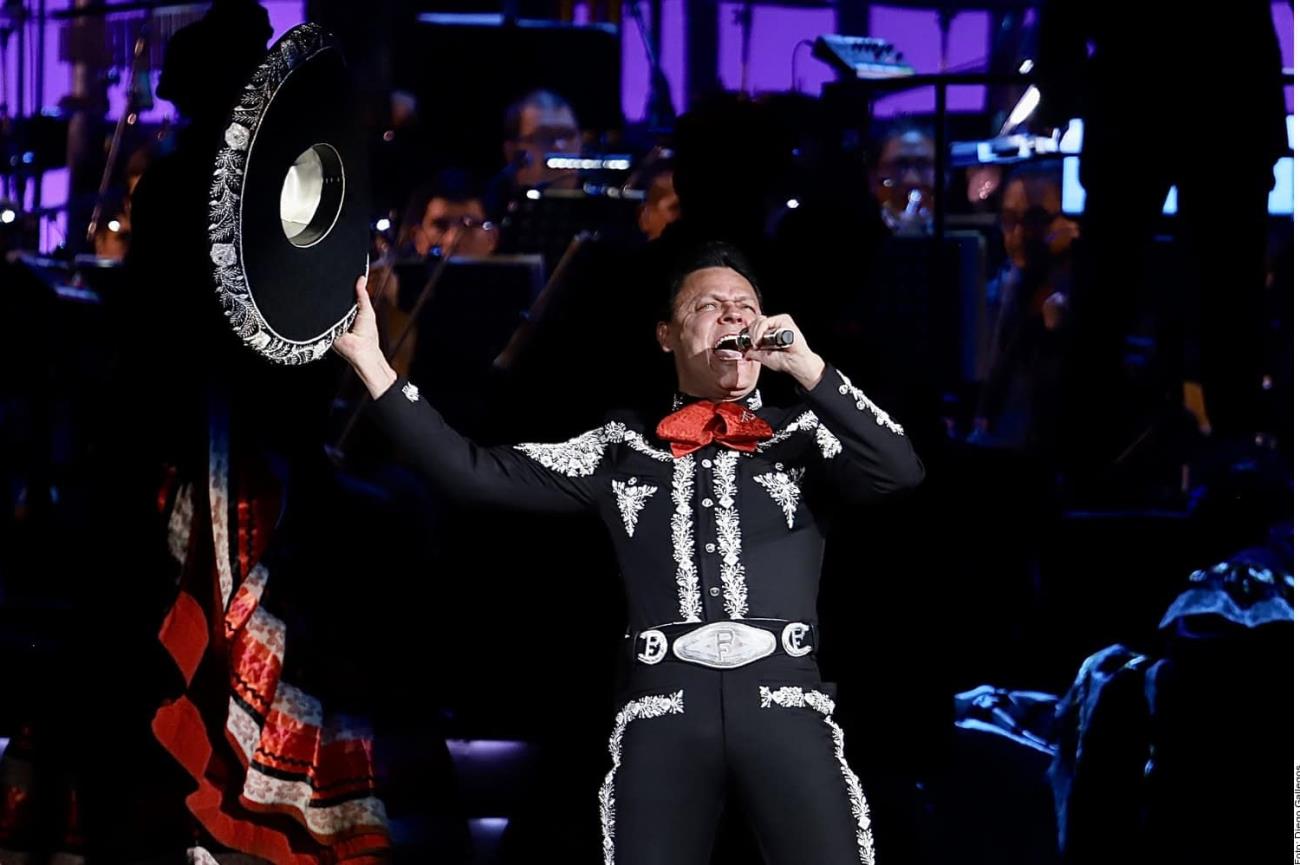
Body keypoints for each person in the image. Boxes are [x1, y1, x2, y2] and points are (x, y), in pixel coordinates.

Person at [334, 240, 924, 864]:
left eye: (745, 305)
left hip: (784, 698)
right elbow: (470, 470)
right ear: (667, 335)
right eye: (710, 305)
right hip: (664, 704)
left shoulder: (803, 438)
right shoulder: (620, 450)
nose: (733, 315)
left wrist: (808, 368)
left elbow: (900, 470)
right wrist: (372, 363)